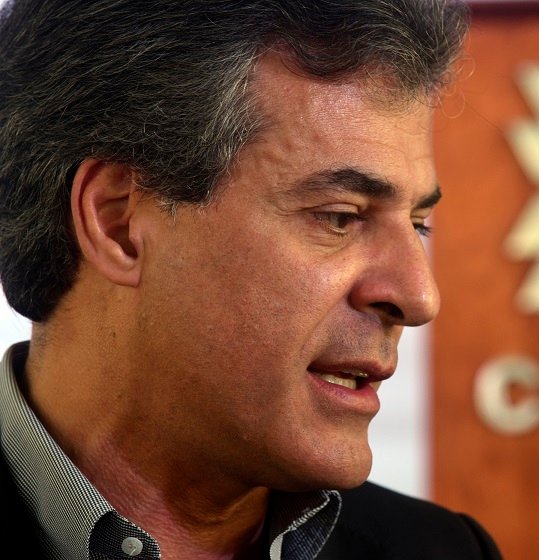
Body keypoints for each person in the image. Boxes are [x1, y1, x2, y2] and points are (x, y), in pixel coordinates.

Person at [0, 1, 503, 558]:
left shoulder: (446, 550)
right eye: (340, 217)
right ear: (119, 225)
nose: (419, 296)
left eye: (418, 224)